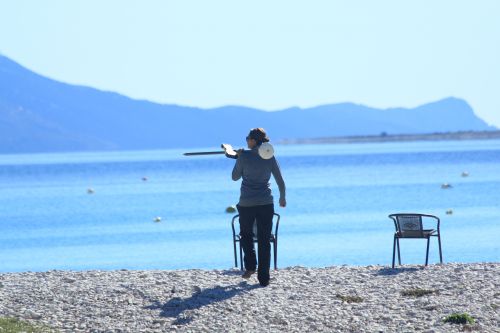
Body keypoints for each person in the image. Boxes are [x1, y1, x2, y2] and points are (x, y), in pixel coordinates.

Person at [232, 128, 286, 287]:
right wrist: (282, 197)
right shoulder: (269, 156)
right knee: (264, 240)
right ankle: (264, 278)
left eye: (248, 138)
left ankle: (250, 266)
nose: (246, 140)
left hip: (247, 204)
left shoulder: (244, 157)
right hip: (265, 203)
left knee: (245, 235)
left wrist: (239, 158)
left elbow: (234, 177)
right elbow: (280, 180)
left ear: (254, 141)